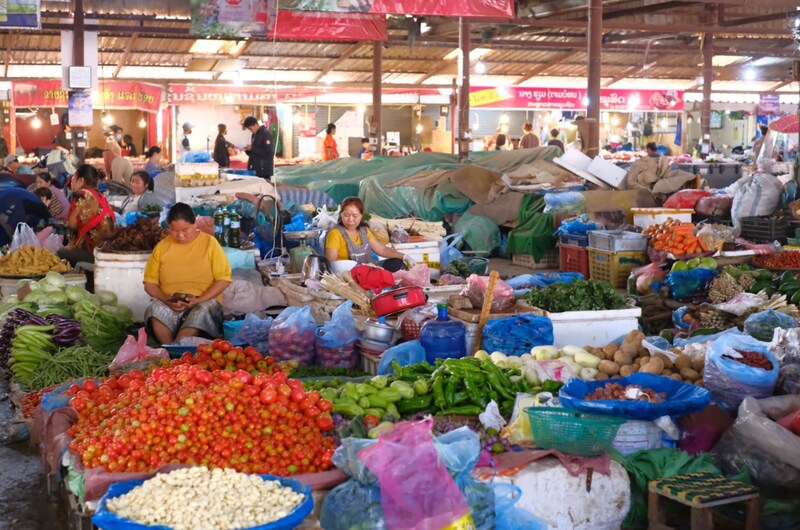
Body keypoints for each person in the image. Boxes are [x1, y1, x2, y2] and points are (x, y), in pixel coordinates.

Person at [143, 203, 232, 344]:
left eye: (185, 230)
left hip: (203, 301)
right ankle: (168, 349)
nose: (180, 235)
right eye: (174, 230)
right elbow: (149, 284)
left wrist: (198, 300)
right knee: (155, 307)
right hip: (171, 303)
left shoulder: (210, 243)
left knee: (201, 311)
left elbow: (223, 280)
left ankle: (177, 350)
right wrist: (166, 299)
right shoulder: (162, 247)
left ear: (194, 224)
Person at [324, 196, 413, 272]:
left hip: (370, 269)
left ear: (361, 216)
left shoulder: (364, 230)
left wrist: (404, 256)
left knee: (397, 263)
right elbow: (331, 262)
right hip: (349, 274)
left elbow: (381, 250)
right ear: (341, 215)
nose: (350, 220)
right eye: (346, 215)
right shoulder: (335, 233)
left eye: (355, 216)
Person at [58, 164, 115, 265]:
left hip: (93, 253)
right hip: (108, 250)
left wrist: (66, 245)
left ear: (81, 180)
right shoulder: (100, 195)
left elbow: (71, 229)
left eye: (73, 177)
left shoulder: (79, 195)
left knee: (60, 253)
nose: (71, 181)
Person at [243, 116, 274, 181]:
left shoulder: (265, 134)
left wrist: (252, 148)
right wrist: (248, 150)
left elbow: (269, 152)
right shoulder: (254, 135)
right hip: (256, 169)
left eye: (251, 129)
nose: (251, 131)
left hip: (263, 170)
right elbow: (255, 152)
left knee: (264, 189)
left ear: (256, 125)